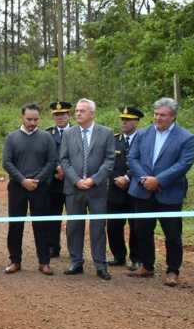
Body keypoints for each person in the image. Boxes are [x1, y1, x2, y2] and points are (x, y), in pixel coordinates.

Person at [127, 97, 194, 286]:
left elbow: (184, 164)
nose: (158, 118)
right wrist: (146, 180)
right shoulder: (142, 134)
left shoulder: (186, 137)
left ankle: (173, 271)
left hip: (169, 193)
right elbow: (133, 159)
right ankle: (147, 265)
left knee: (172, 234)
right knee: (142, 230)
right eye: (156, 114)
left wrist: (159, 180)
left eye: (163, 115)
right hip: (143, 191)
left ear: (173, 116)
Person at [59, 99, 115, 280]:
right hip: (74, 188)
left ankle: (100, 264)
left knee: (98, 227)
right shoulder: (68, 133)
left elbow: (109, 160)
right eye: (76, 111)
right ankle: (76, 261)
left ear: (92, 113)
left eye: (82, 111)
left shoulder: (106, 133)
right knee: (74, 226)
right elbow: (64, 160)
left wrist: (93, 180)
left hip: (96, 189)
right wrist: (76, 180)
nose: (77, 114)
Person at [2, 103, 57, 275]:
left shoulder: (46, 137)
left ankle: (44, 261)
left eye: (36, 119)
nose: (33, 122)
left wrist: (38, 180)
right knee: (16, 224)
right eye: (29, 119)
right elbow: (7, 162)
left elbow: (51, 161)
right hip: (18, 187)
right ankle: (15, 260)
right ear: (22, 118)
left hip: (39, 188)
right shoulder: (12, 137)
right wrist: (22, 180)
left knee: (41, 225)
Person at [106, 106, 144, 271]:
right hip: (115, 189)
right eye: (122, 119)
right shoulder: (113, 140)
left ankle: (136, 258)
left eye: (128, 120)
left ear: (136, 121)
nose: (124, 122)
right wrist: (116, 179)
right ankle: (118, 256)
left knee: (136, 226)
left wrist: (128, 177)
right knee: (114, 225)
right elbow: (106, 162)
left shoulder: (143, 140)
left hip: (135, 189)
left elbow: (144, 162)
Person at [44, 101, 72, 258]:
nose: (60, 118)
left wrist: (66, 170)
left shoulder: (78, 132)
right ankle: (53, 246)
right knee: (52, 215)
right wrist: (57, 168)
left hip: (72, 180)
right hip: (53, 180)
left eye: (63, 114)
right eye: (56, 115)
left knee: (74, 216)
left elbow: (81, 156)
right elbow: (45, 155)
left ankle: (74, 248)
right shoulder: (47, 134)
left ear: (70, 115)